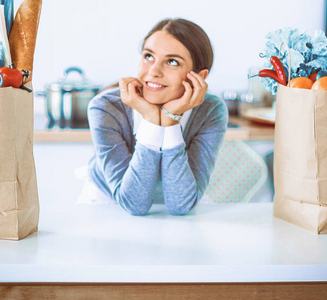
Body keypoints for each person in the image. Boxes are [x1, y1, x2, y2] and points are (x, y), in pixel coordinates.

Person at [87, 18, 228, 215]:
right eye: (148, 56)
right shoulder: (106, 107)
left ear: (199, 76)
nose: (153, 72)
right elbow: (133, 203)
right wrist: (152, 120)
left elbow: (181, 205)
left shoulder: (210, 110)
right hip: (108, 204)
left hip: (183, 203)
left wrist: (169, 121)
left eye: (172, 62)